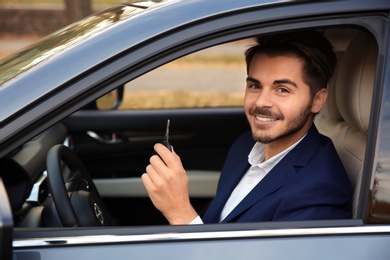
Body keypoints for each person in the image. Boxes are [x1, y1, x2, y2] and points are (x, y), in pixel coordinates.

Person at [141, 30, 352, 225]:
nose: (261, 102)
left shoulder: (320, 192)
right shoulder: (245, 145)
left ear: (317, 100)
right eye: (254, 86)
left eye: (282, 89)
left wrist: (180, 213)